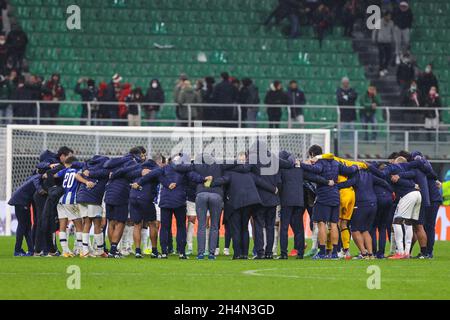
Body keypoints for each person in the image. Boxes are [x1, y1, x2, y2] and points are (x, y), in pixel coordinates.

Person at [300, 145, 357, 260]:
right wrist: (356, 166)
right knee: (334, 224)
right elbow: (349, 170)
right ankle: (335, 253)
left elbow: (315, 170)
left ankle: (322, 252)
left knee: (321, 223)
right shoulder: (335, 162)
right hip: (335, 196)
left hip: (324, 196)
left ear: (312, 154)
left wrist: (300, 164)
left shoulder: (320, 162)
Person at [278, 151, 332, 259]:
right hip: (298, 201)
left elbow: (278, 183)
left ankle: (284, 253)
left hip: (286, 201)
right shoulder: (299, 169)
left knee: (284, 228)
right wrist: (327, 182)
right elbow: (314, 178)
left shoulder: (281, 170)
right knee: (299, 228)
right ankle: (300, 253)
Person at [103, 147, 145, 258]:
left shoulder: (118, 161)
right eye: (141, 155)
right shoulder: (132, 162)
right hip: (120, 193)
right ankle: (113, 250)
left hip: (109, 192)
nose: (142, 158)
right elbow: (130, 174)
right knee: (120, 222)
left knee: (111, 222)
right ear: (137, 155)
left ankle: (113, 250)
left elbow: (106, 165)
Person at [54, 156, 95, 258]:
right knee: (79, 225)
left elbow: (55, 175)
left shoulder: (64, 171)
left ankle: (65, 251)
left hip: (61, 200)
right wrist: (86, 181)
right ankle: (81, 249)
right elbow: (79, 176)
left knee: (62, 226)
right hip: (71, 200)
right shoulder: (77, 171)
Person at [77, 155, 110, 258]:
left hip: (81, 197)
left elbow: (79, 172)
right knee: (97, 223)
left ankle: (85, 250)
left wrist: (87, 173)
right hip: (93, 198)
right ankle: (99, 250)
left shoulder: (87, 167)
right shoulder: (104, 171)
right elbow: (106, 173)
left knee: (87, 222)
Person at [8, 173, 40, 256]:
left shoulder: (33, 177)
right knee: (22, 225)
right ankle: (17, 250)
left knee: (27, 226)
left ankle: (30, 250)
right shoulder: (38, 178)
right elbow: (39, 190)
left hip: (22, 202)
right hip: (21, 202)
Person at [372, 11, 395, 77]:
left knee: (388, 56)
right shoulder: (379, 21)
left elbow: (393, 32)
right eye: (388, 16)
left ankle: (385, 67)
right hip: (381, 41)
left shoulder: (391, 23)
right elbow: (374, 30)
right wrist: (374, 38)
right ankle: (381, 68)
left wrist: (393, 39)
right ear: (385, 16)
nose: (389, 17)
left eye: (390, 16)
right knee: (381, 55)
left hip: (388, 41)